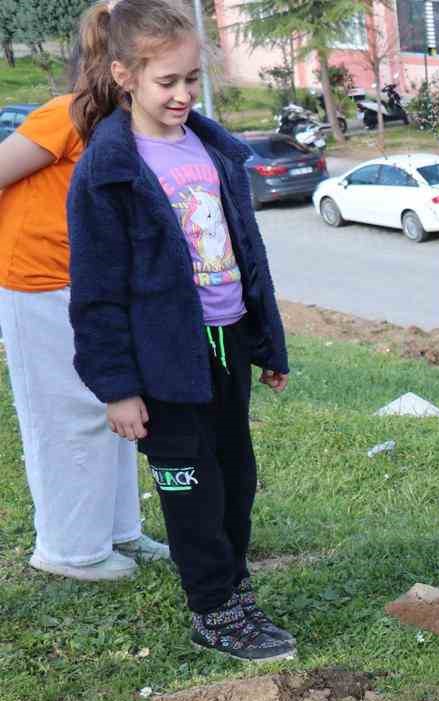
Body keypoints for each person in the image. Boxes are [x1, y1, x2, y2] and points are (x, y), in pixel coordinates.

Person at [68, 0, 295, 662]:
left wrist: (265, 345)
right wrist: (116, 387)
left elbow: (246, 258)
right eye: (167, 81)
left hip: (224, 347)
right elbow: (98, 294)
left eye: (191, 79)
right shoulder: (108, 171)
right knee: (190, 487)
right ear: (125, 76)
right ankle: (213, 610)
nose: (183, 94)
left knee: (236, 478)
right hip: (163, 363)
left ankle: (235, 588)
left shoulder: (210, 149)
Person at [0, 3, 170, 583]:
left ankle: (118, 531)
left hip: (90, 285)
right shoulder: (63, 115)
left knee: (110, 409)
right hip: (39, 284)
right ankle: (69, 550)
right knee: (63, 418)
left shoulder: (115, 121)